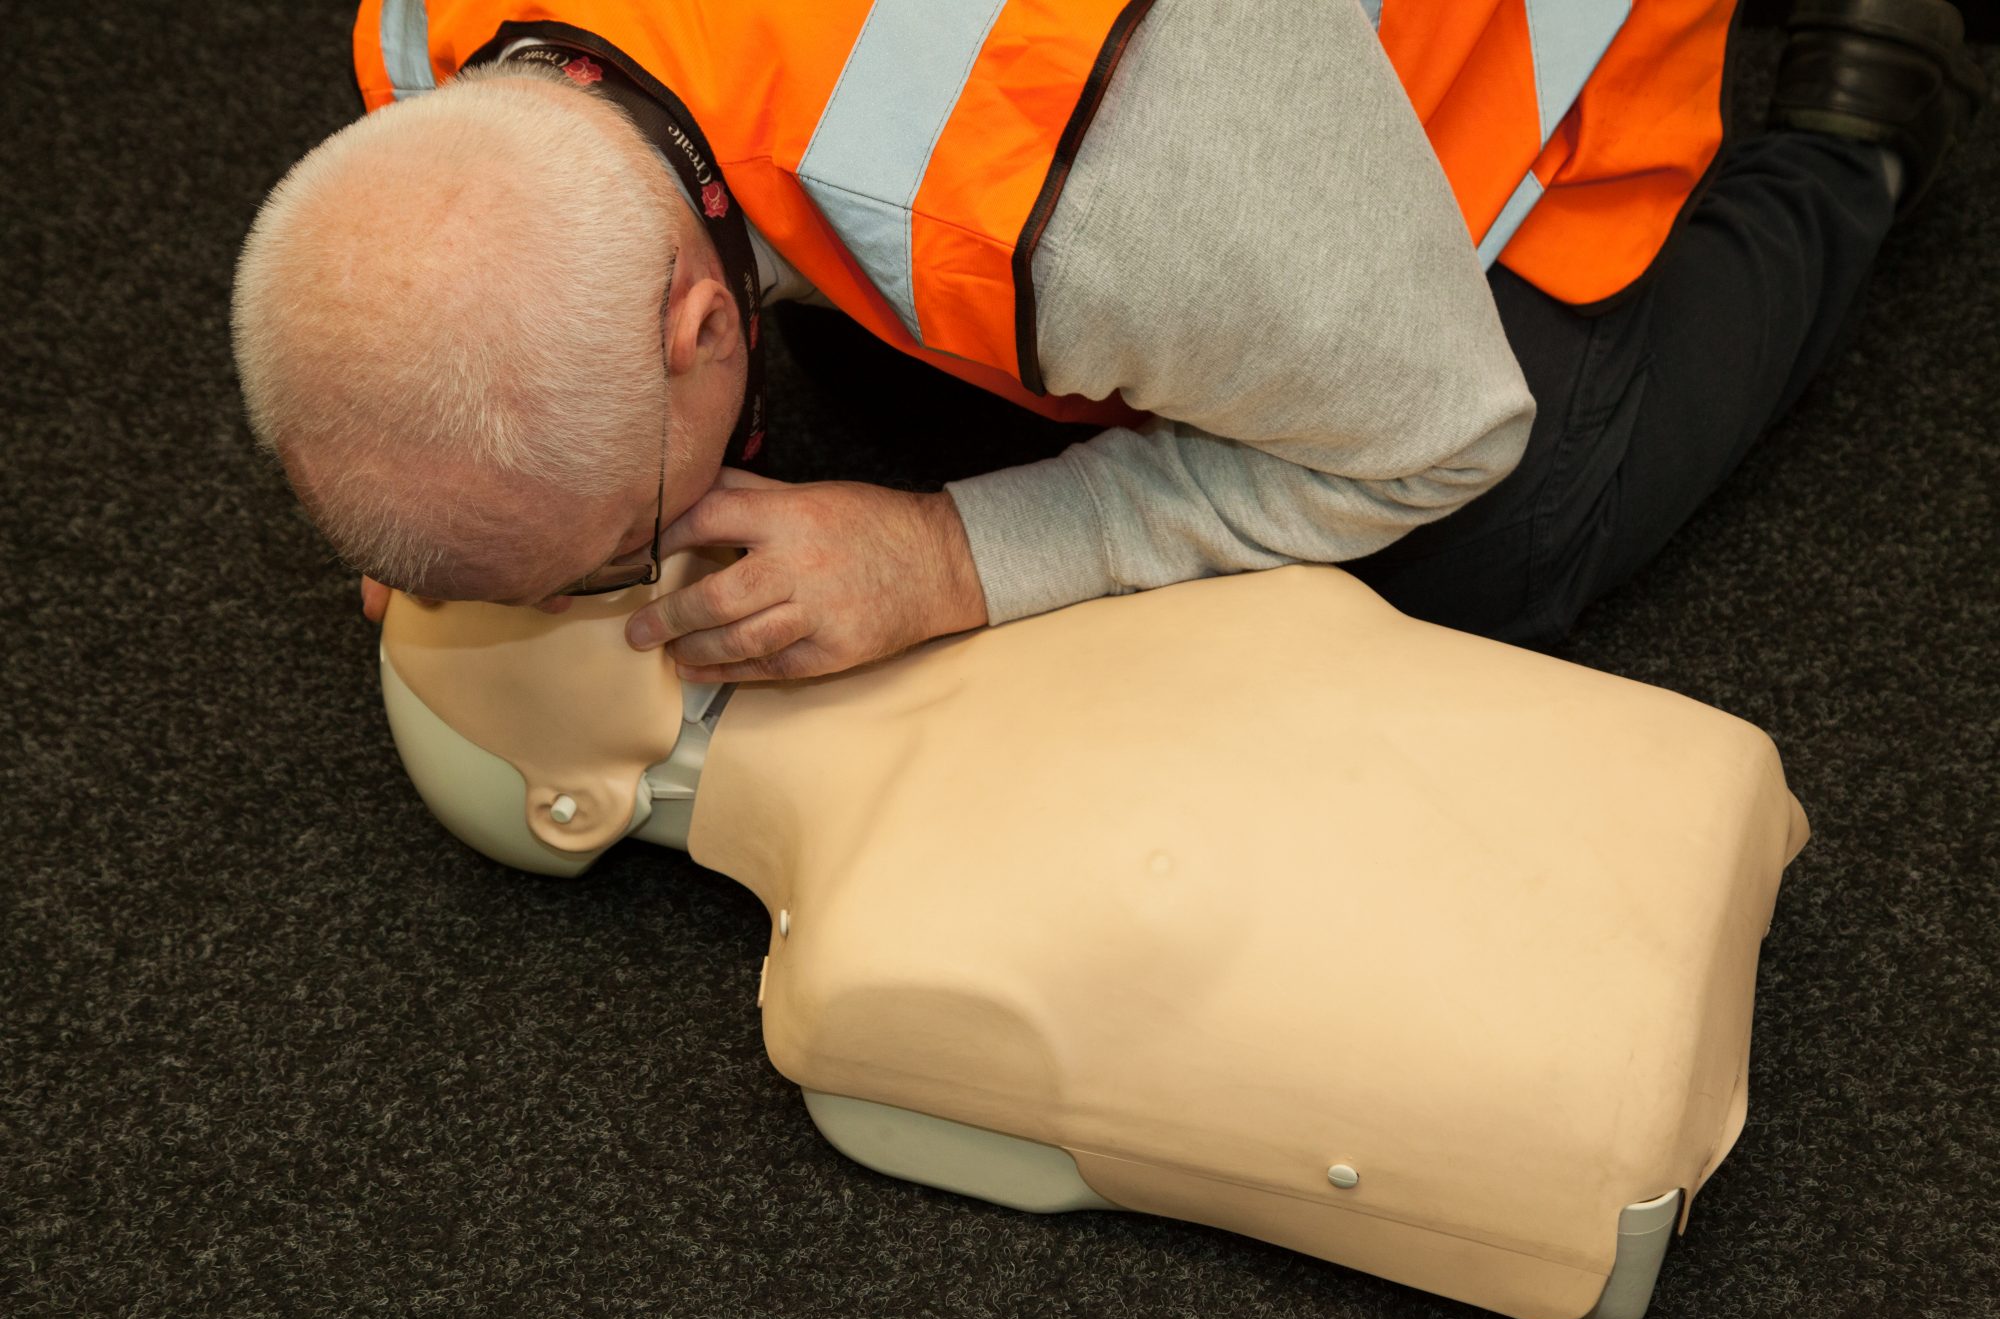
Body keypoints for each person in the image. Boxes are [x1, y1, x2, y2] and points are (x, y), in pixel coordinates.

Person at [231, 0, 1985, 683]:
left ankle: (1851, 127)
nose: (627, 574)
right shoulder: (436, 32)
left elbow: (1444, 425)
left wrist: (955, 557)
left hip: (1418, 86)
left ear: (698, 321)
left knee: (1495, 542)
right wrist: (482, 516)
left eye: (621, 543)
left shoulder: (1106, 178)